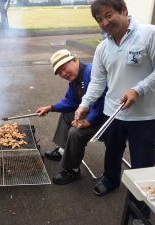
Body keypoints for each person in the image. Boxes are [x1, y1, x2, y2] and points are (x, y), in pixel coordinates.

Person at [75, 0, 155, 222]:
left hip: (146, 116)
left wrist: (138, 90)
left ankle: (141, 211)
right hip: (113, 112)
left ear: (123, 11)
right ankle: (110, 180)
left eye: (108, 15)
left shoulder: (150, 34)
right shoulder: (103, 47)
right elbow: (97, 82)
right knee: (112, 152)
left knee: (143, 166)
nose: (104, 22)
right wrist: (84, 105)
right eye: (99, 19)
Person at [35, 49, 105, 185]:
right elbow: (71, 101)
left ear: (74, 60)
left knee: (76, 132)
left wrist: (89, 121)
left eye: (64, 68)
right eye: (59, 72)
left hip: (106, 119)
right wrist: (51, 107)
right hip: (91, 114)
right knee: (68, 114)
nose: (63, 73)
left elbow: (104, 101)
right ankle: (63, 150)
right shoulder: (76, 79)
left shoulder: (91, 72)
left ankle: (72, 169)